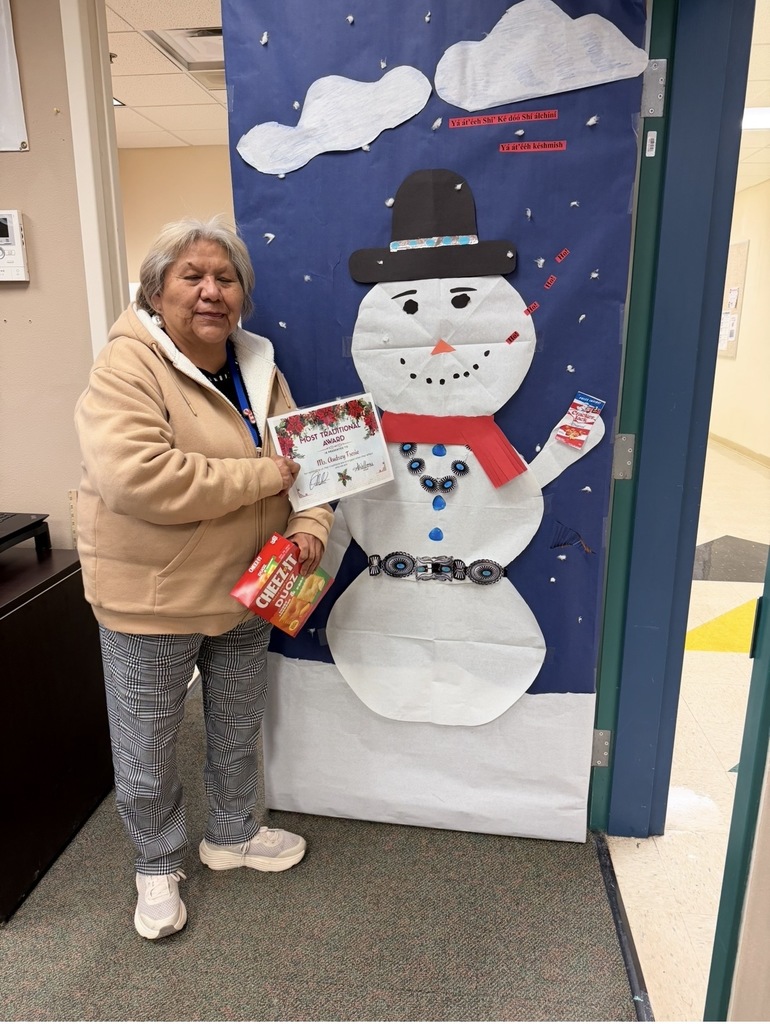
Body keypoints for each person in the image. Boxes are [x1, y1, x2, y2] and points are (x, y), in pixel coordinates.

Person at [74, 216, 333, 940]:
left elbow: (307, 462)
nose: (212, 291)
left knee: (236, 720)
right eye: (193, 276)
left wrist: (310, 527)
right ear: (157, 289)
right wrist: (264, 479)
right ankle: (156, 864)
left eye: (227, 278)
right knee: (149, 740)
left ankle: (232, 833)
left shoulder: (258, 364)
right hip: (151, 594)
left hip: (251, 584)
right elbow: (139, 480)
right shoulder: (126, 365)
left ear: (244, 295)